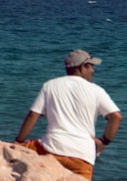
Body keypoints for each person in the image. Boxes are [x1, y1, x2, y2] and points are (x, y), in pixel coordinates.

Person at [14, 49, 121, 180]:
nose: (93, 70)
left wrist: (18, 141)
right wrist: (103, 143)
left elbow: (33, 115)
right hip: (83, 156)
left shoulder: (50, 85)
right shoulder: (96, 90)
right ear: (82, 67)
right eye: (91, 66)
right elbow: (116, 117)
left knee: (18, 152)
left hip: (50, 150)